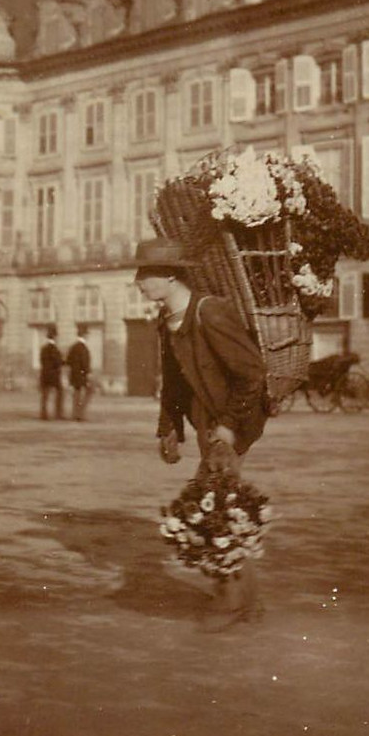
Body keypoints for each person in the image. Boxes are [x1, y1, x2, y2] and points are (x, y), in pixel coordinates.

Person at [134, 237, 268, 629]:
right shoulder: (168, 320)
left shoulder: (210, 312)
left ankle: (231, 604)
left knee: (213, 510)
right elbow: (174, 382)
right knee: (220, 506)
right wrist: (168, 428)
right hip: (207, 424)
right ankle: (247, 603)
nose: (138, 281)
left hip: (234, 423)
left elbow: (251, 373)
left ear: (173, 277)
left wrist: (227, 427)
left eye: (147, 273)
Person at [66, 325, 93, 422]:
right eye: (87, 334)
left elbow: (68, 361)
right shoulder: (83, 347)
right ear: (84, 335)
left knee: (76, 395)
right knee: (89, 391)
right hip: (82, 375)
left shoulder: (73, 347)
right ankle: (80, 414)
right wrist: (88, 373)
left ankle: (76, 414)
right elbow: (85, 362)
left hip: (74, 375)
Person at [39, 324, 64, 421]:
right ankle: (58, 413)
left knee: (45, 396)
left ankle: (43, 414)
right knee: (60, 393)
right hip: (54, 375)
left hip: (44, 374)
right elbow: (58, 361)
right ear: (55, 336)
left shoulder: (44, 349)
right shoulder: (54, 349)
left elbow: (42, 361)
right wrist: (63, 361)